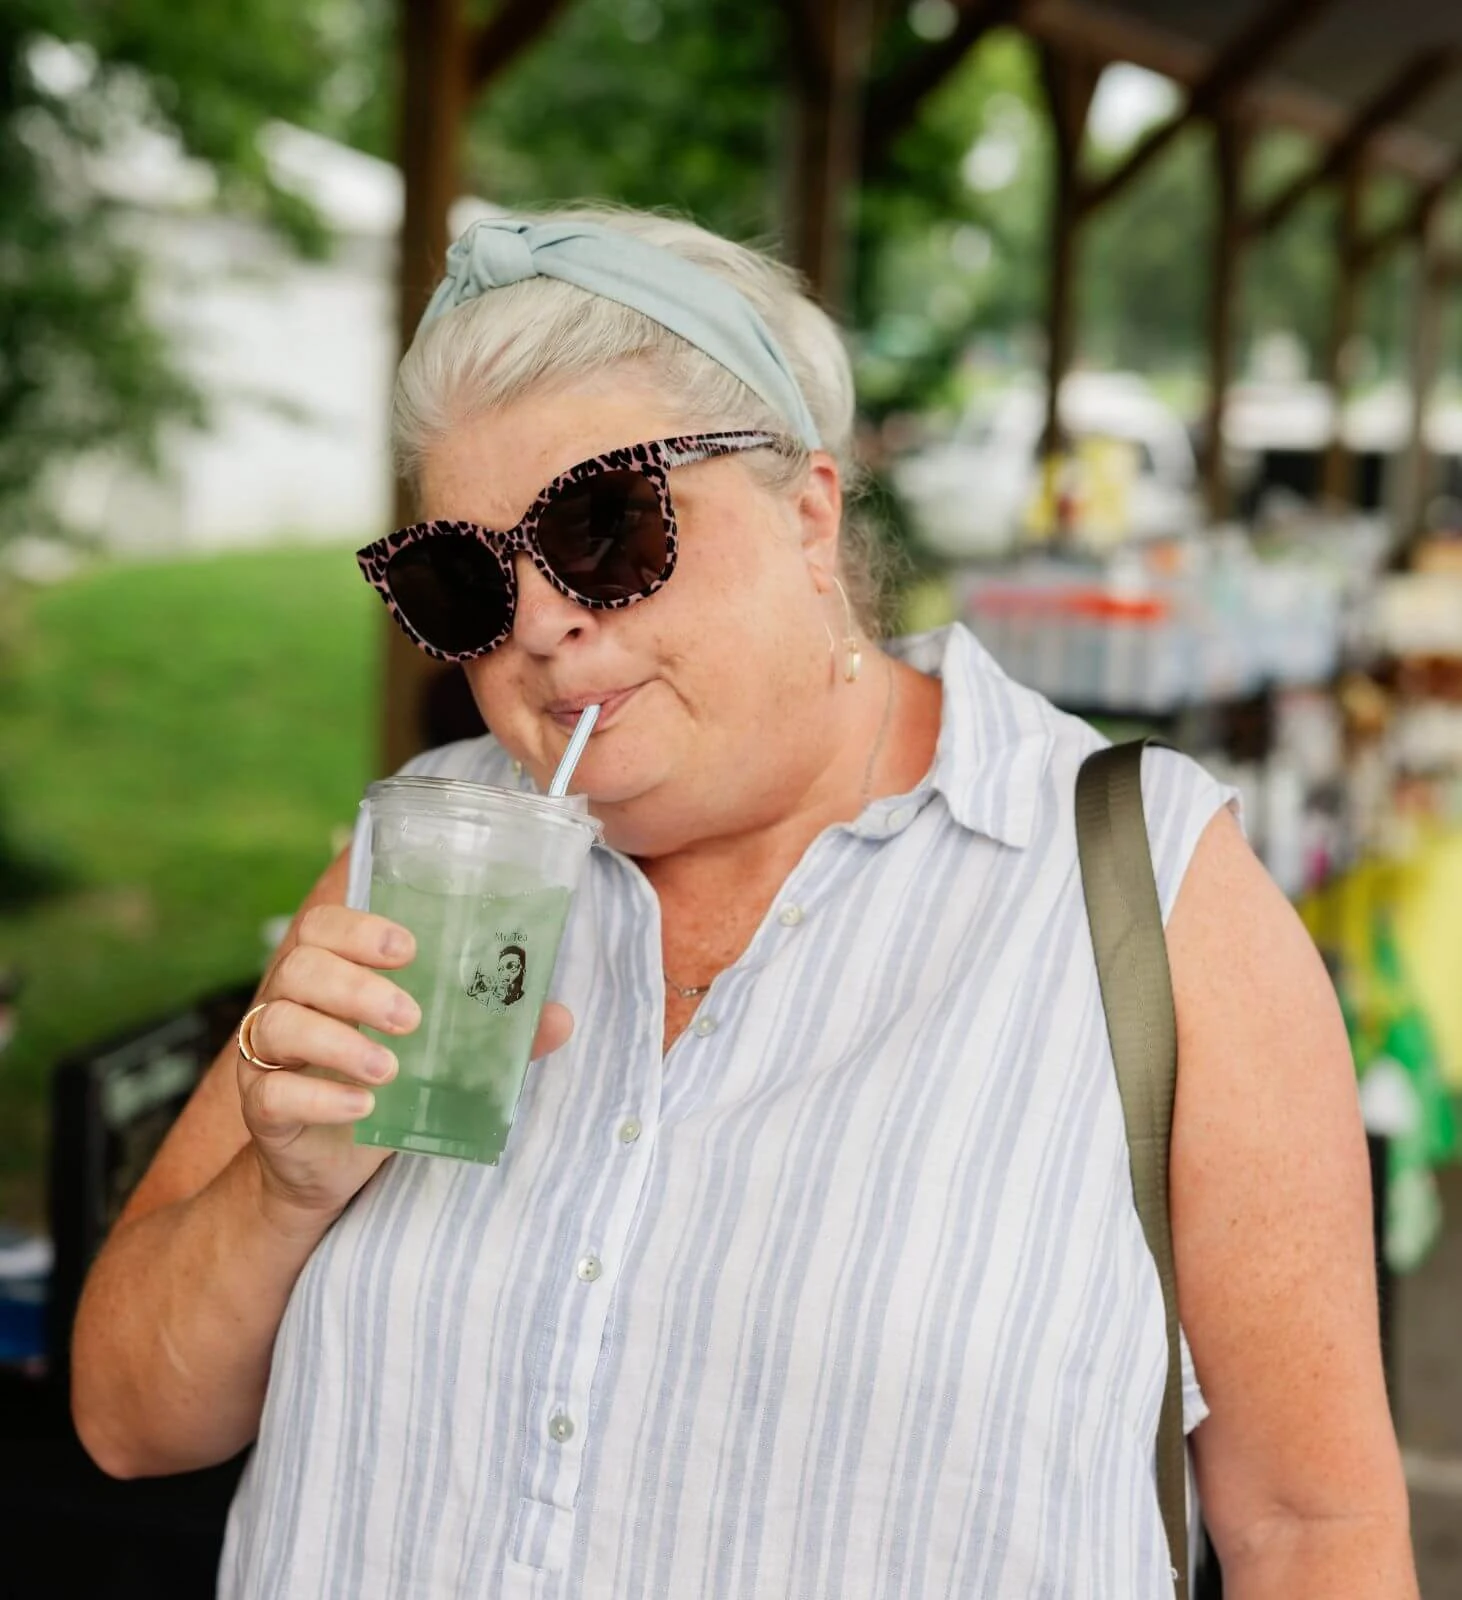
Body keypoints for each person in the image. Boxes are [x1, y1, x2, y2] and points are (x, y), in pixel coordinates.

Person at [71, 208, 1416, 1599]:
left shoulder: (1143, 892)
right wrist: (281, 1194)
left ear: (808, 515)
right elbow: (126, 1421)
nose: (540, 622)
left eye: (603, 528)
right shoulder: (427, 859)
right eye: (463, 580)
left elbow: (1310, 1533)